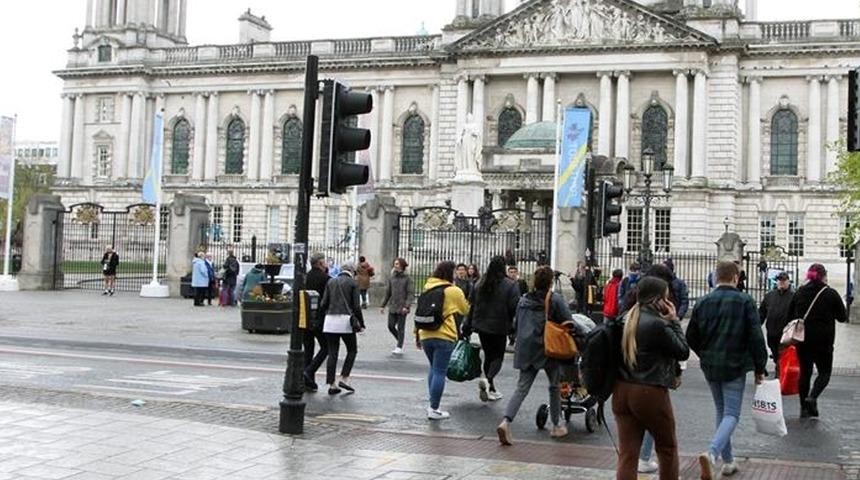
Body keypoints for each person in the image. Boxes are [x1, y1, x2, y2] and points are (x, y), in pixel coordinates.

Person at [686, 261, 768, 480]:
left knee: (722, 412)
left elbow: (690, 336)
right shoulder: (745, 301)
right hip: (735, 364)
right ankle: (712, 453)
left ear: (715, 276)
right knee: (731, 413)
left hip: (711, 365)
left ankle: (729, 461)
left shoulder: (703, 302)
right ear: (735, 278)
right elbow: (756, 337)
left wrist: (704, 353)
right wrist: (761, 366)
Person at [496, 266, 585, 445]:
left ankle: (506, 421)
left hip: (526, 348)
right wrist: (583, 333)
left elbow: (516, 323)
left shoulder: (523, 300)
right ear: (550, 282)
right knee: (554, 385)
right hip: (548, 348)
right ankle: (557, 425)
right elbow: (569, 321)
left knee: (522, 388)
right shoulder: (554, 299)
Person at [612, 277, 689, 480]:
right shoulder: (658, 324)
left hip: (621, 390)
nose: (669, 301)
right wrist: (674, 321)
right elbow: (683, 351)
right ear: (658, 299)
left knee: (628, 454)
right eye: (666, 297)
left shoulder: (623, 319)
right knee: (667, 447)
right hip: (649, 391)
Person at [788, 263, 848, 418]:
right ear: (823, 276)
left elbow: (790, 316)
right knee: (825, 373)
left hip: (803, 340)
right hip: (824, 341)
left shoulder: (799, 292)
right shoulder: (830, 293)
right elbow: (842, 318)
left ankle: (803, 408)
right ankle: (812, 397)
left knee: (805, 373)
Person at [416, 261, 470, 420]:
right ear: (449, 273)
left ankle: (432, 404)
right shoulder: (453, 291)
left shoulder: (427, 287)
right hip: (444, 334)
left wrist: (416, 334)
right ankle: (434, 408)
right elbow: (465, 309)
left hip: (425, 333)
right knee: (440, 371)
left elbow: (420, 310)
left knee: (433, 368)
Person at [462, 256, 519, 402]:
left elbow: (472, 305)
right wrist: (514, 326)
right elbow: (514, 307)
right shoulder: (510, 285)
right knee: (497, 357)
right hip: (500, 325)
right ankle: (488, 379)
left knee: (488, 355)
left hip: (481, 325)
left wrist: (467, 325)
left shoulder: (480, 283)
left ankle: (490, 386)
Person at [319, 261, 365, 395]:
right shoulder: (353, 283)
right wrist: (361, 324)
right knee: (352, 350)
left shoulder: (331, 282)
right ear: (352, 271)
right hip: (345, 322)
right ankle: (344, 377)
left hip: (330, 321)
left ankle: (331, 384)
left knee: (332, 352)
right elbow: (356, 307)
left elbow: (323, 303)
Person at [303, 254, 331, 392]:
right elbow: (328, 298)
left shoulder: (305, 277)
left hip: (305, 317)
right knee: (326, 347)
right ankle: (309, 371)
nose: (327, 264)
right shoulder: (326, 279)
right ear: (320, 263)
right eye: (325, 262)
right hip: (320, 318)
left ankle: (308, 381)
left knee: (308, 348)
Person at [759, 271, 794, 375]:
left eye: (784, 280)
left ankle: (780, 372)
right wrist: (757, 324)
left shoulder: (794, 296)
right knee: (775, 351)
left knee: (782, 353)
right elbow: (762, 312)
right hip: (772, 331)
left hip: (786, 333)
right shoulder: (769, 296)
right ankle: (778, 364)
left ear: (788, 281)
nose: (781, 282)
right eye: (780, 280)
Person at [380, 258, 413, 356]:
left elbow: (410, 294)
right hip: (393, 306)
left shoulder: (408, 279)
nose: (395, 265)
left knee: (401, 327)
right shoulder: (392, 278)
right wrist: (383, 305)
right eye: (394, 264)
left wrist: (406, 306)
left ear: (402, 265)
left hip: (402, 307)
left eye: (397, 264)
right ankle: (400, 340)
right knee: (390, 326)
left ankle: (399, 346)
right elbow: (388, 293)